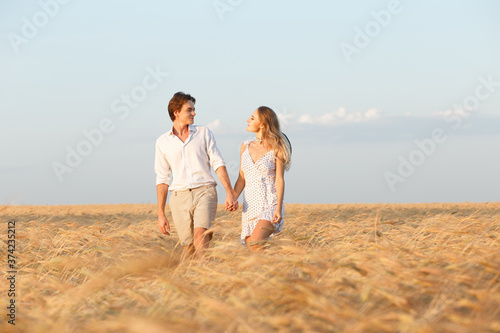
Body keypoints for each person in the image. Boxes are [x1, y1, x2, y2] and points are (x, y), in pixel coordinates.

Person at [155, 92, 238, 260]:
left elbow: (217, 162)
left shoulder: (203, 133)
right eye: (189, 110)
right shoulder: (162, 142)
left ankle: (206, 277)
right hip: (179, 197)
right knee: (188, 248)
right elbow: (162, 179)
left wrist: (230, 192)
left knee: (200, 236)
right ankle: (194, 279)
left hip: (205, 191)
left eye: (194, 109)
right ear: (176, 112)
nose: (194, 113)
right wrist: (161, 214)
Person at [233, 106, 292, 251]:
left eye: (252, 118)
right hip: (250, 207)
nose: (248, 120)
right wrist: (233, 197)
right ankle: (278, 270)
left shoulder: (276, 147)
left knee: (255, 245)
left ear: (262, 124)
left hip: (269, 205)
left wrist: (278, 208)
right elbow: (242, 178)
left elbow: (279, 179)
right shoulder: (245, 147)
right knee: (256, 253)